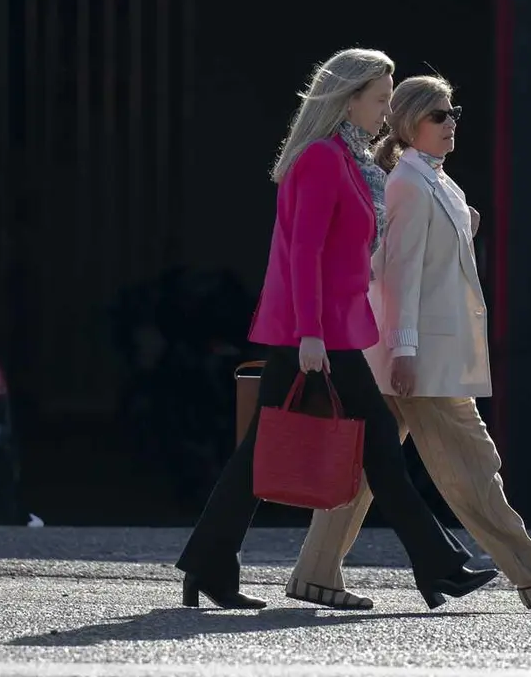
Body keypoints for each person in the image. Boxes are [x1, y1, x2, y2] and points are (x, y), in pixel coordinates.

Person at [174, 50, 498, 611]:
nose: (386, 111)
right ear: (348, 100)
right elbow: (304, 251)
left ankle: (208, 562)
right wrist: (310, 335)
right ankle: (437, 563)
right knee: (377, 449)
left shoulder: (353, 161)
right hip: (319, 332)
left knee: (268, 452)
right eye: (379, 100)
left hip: (336, 325)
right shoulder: (323, 159)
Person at [284, 75, 531, 611]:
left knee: (362, 466)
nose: (451, 122)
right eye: (438, 115)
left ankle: (315, 573)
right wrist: (404, 349)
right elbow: (401, 273)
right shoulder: (409, 182)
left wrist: (463, 228)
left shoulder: (434, 180)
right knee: (472, 462)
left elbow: (413, 261)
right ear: (409, 124)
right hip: (418, 357)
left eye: (453, 112)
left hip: (416, 354)